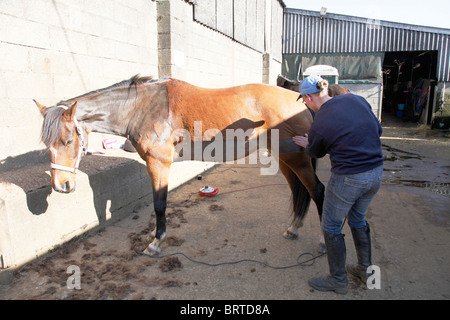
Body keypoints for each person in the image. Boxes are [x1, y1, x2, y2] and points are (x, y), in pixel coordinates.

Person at [292, 75, 384, 294]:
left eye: (304, 101)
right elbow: (376, 131)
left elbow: (316, 152)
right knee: (358, 219)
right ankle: (364, 269)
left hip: (350, 178)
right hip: (376, 173)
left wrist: (309, 143)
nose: (305, 104)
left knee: (331, 225)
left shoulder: (320, 121)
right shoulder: (356, 100)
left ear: (308, 97)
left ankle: (338, 280)